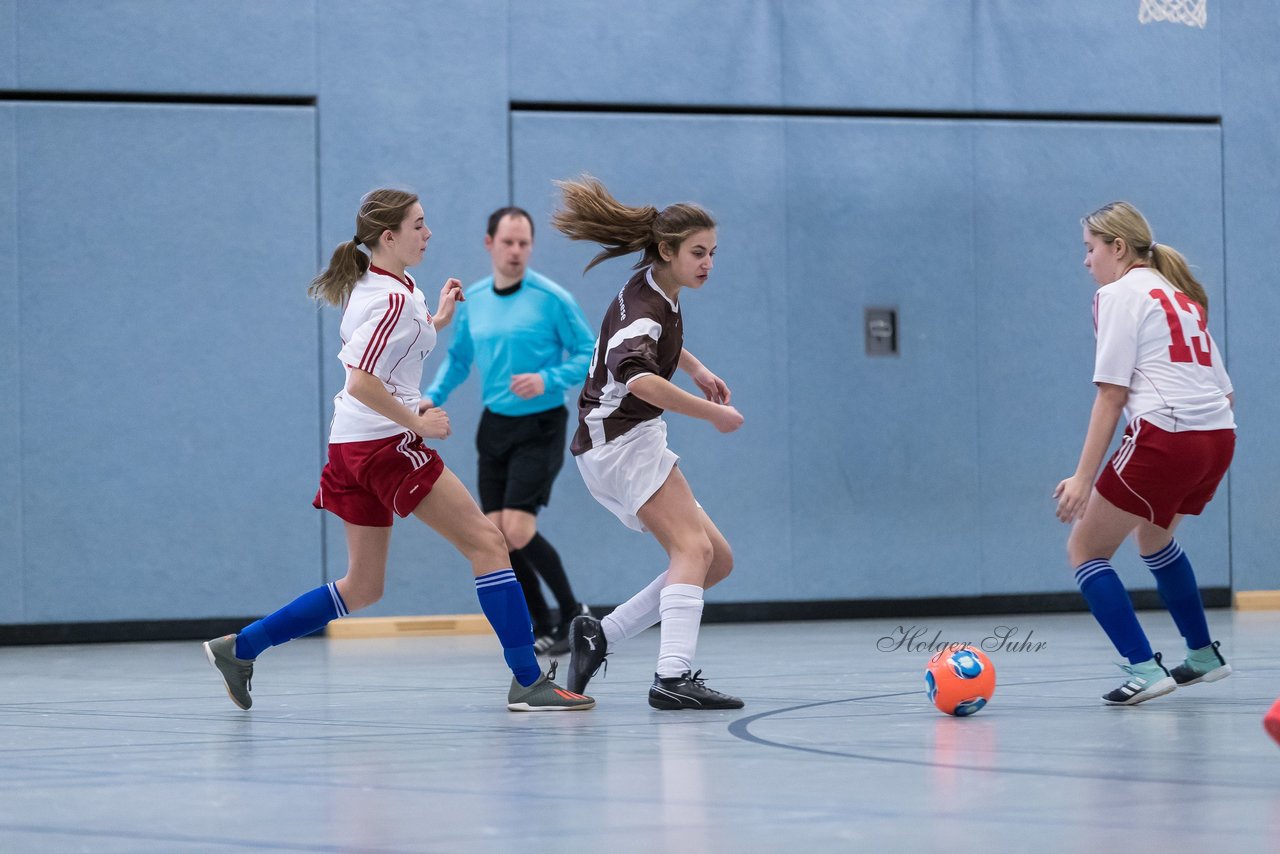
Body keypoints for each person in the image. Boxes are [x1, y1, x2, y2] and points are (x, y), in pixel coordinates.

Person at [202, 188, 593, 713]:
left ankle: (239, 648)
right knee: (489, 544)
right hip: (384, 444)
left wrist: (437, 320)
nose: (428, 234)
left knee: (362, 587)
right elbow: (363, 379)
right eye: (419, 225)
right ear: (389, 236)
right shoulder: (392, 298)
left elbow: (391, 350)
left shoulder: (388, 286)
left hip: (349, 446)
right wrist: (418, 422)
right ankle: (527, 680)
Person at [552, 175, 745, 710]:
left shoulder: (658, 288)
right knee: (693, 549)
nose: (708, 262)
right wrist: (712, 413)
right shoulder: (644, 306)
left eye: (713, 252)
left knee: (716, 560)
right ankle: (672, 677)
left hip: (628, 439)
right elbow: (638, 377)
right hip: (619, 442)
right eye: (698, 252)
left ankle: (603, 635)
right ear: (667, 250)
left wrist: (699, 368)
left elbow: (658, 344)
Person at [1055, 200, 1235, 706]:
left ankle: (1143, 667)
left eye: (1089, 249)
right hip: (1218, 437)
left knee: (1085, 551)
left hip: (1169, 437)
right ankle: (1203, 655)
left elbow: (1111, 395)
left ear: (1117, 247)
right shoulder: (1178, 295)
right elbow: (1226, 394)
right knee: (1154, 540)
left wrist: (1082, 477)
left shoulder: (1118, 295)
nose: (1085, 261)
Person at [423, 207, 596, 656]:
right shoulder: (475, 299)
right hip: (494, 424)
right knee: (495, 534)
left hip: (540, 424)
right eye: (507, 242)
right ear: (489, 244)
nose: (516, 251)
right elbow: (459, 359)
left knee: (516, 529)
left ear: (531, 247)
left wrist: (548, 379)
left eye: (523, 243)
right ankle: (544, 622)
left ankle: (576, 612)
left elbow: (588, 353)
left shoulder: (552, 298)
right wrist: (432, 397)